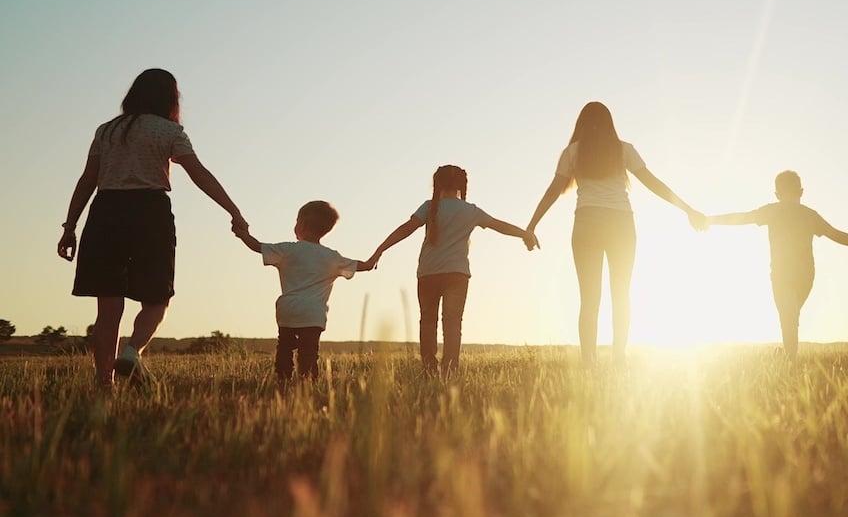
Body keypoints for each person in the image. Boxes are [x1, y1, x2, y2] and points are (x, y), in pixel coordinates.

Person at [57, 68, 248, 387]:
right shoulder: (169, 131)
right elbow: (200, 174)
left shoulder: (107, 131)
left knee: (108, 308)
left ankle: (105, 386)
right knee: (158, 297)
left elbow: (88, 179)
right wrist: (234, 211)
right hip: (149, 213)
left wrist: (70, 226)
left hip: (106, 213)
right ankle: (131, 352)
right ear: (171, 99)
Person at [525, 102, 704, 366]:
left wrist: (531, 226)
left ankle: (589, 362)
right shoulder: (623, 150)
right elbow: (653, 183)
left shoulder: (572, 152)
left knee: (589, 299)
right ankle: (619, 357)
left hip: (586, 224)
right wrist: (688, 208)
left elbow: (553, 191)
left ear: (581, 124)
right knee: (621, 294)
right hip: (620, 224)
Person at [369, 165, 535, 373]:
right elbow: (500, 226)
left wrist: (380, 250)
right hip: (457, 274)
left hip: (428, 273)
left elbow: (405, 229)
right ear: (462, 185)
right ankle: (449, 370)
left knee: (428, 321)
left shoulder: (429, 207)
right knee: (453, 323)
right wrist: (525, 234)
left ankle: (429, 367)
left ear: (437, 184)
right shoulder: (471, 211)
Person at [705, 170, 848, 360]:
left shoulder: (779, 211)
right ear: (801, 192)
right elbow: (836, 235)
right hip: (802, 276)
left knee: (789, 318)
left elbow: (742, 218)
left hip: (788, 276)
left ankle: (788, 359)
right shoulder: (805, 214)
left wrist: (710, 220)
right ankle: (788, 358)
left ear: (777, 194)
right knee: (790, 318)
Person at [234, 201, 375, 381]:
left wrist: (243, 234)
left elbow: (256, 246)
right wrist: (373, 260)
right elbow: (361, 266)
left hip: (288, 309)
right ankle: (307, 382)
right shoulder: (332, 257)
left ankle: (283, 379)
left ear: (301, 224)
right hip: (313, 313)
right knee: (308, 351)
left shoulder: (288, 249)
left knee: (284, 347)